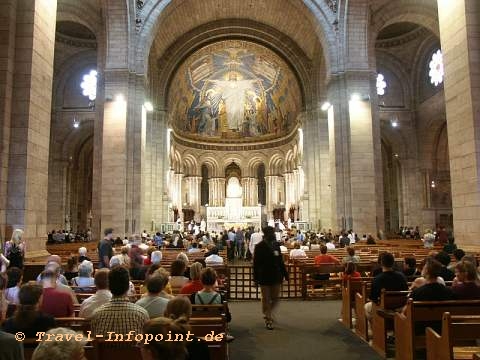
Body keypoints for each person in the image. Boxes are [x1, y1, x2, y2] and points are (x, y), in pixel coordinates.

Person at [91, 266, 149, 336]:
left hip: (106, 347)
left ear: (109, 286)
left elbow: (94, 340)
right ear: (128, 287)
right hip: (131, 347)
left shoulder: (96, 315)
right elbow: (145, 340)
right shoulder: (141, 314)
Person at [253, 226, 288, 330]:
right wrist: (255, 278)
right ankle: (268, 318)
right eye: (272, 233)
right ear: (267, 234)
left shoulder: (276, 245)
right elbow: (256, 264)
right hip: (264, 275)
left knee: (276, 298)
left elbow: (280, 261)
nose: (273, 234)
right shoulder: (259, 246)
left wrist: (285, 274)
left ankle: (268, 312)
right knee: (266, 298)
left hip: (276, 275)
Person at [364, 252, 408, 321]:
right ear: (393, 263)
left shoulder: (377, 279)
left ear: (381, 263)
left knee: (366, 307)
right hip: (400, 306)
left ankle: (375, 327)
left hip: (384, 307)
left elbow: (373, 298)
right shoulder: (402, 276)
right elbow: (406, 292)